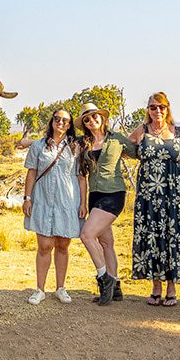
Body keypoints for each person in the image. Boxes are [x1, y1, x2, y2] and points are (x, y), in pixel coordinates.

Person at [129, 92, 180, 306]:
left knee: (173, 236)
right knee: (151, 235)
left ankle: (171, 286)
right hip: (148, 194)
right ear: (148, 110)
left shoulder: (179, 133)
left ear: (167, 108)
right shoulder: (141, 131)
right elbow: (122, 147)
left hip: (173, 192)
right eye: (153, 107)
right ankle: (155, 286)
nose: (157, 111)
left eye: (161, 107)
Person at [22, 109, 81, 305]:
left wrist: (83, 203)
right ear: (52, 121)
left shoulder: (75, 147)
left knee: (63, 245)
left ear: (70, 124)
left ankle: (61, 288)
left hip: (67, 201)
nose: (61, 123)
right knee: (45, 245)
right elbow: (31, 173)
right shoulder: (39, 146)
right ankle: (40, 289)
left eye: (65, 120)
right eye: (57, 119)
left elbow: (81, 176)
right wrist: (27, 198)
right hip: (43, 199)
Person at [75, 103, 131, 306]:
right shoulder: (83, 144)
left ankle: (104, 278)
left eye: (94, 116)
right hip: (94, 196)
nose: (91, 121)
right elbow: (82, 176)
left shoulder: (117, 139)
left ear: (102, 117)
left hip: (114, 194)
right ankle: (115, 288)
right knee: (106, 243)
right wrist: (83, 203)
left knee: (87, 235)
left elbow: (139, 152)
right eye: (87, 120)